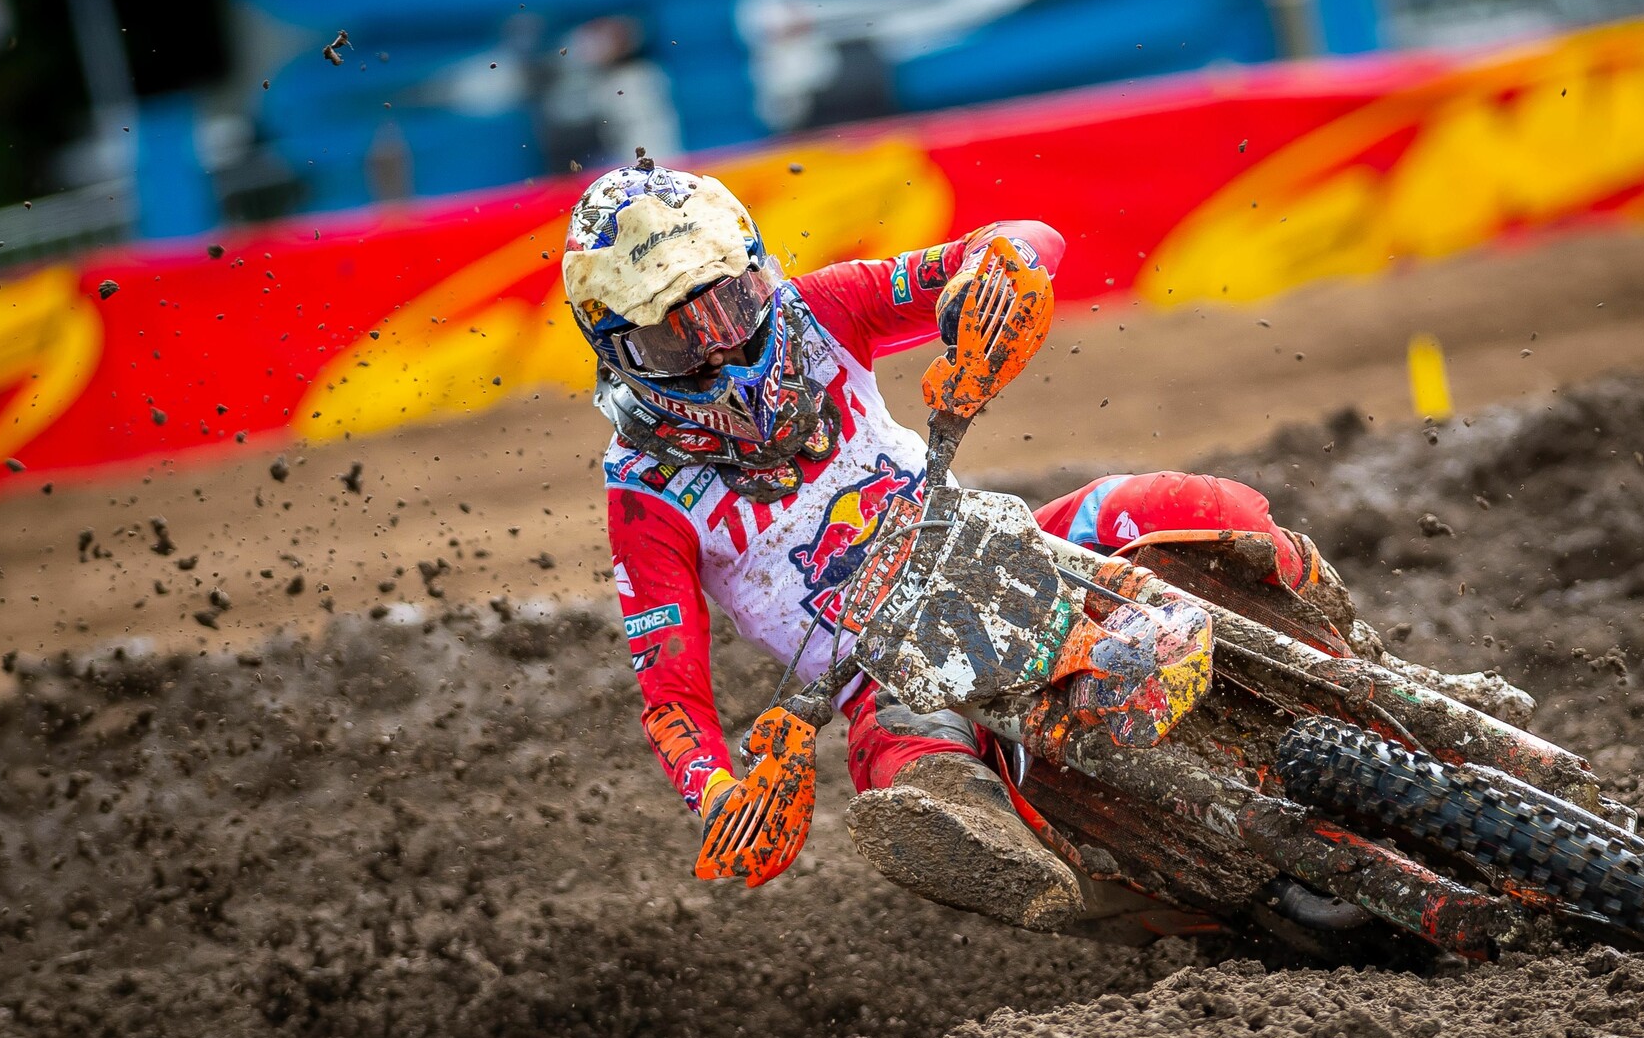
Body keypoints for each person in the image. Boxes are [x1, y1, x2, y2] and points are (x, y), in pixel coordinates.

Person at [566, 162, 1329, 933]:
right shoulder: (645, 493)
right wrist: (718, 794)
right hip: (880, 673)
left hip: (1006, 548)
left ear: (759, 273)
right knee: (916, 781)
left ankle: (1333, 633)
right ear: (618, 351)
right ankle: (1009, 864)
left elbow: (1022, 240)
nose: (721, 351)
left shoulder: (821, 310)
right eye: (674, 339)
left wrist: (997, 274)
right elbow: (670, 691)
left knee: (1187, 504)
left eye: (731, 306)